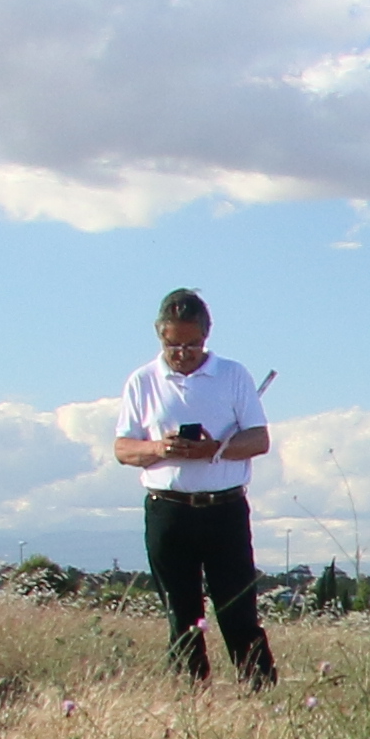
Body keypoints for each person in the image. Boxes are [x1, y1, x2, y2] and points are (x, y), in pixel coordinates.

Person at [107, 286, 279, 684]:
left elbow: (259, 440)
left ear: (207, 334)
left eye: (192, 344)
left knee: (238, 611)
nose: (183, 353)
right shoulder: (142, 381)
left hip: (224, 510)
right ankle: (190, 698)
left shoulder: (233, 375)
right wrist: (159, 447)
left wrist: (213, 449)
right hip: (168, 510)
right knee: (181, 613)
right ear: (159, 334)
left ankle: (260, 693)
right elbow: (122, 447)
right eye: (173, 345)